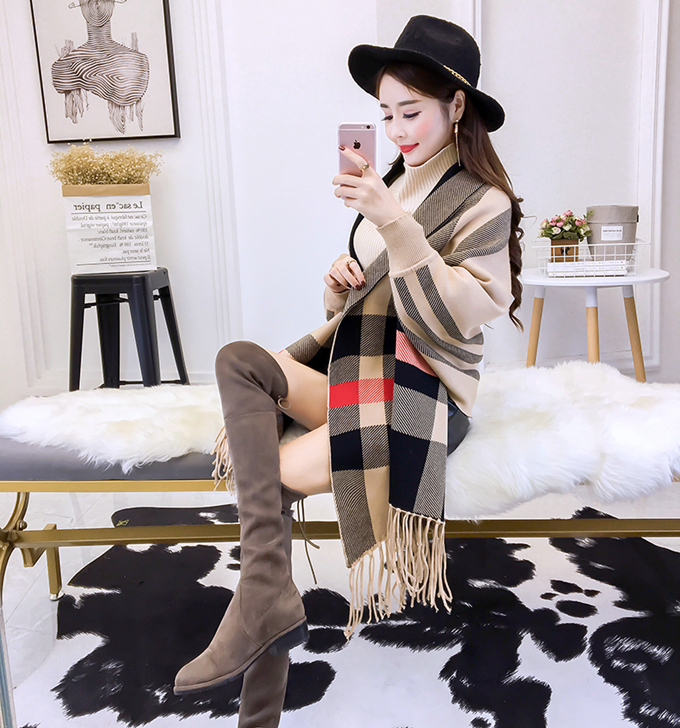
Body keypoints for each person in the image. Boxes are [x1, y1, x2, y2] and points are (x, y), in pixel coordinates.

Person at [174, 14, 523, 728]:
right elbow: (370, 305)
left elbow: (461, 313)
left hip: (423, 392)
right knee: (241, 360)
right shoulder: (388, 181)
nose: (396, 130)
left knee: (264, 478)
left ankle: (261, 660)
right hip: (359, 372)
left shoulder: (484, 201)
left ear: (457, 105)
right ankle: (268, 605)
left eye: (411, 111)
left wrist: (395, 224)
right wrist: (340, 285)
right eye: (386, 114)